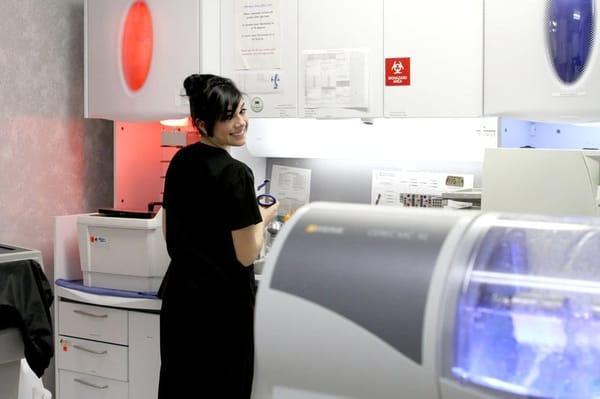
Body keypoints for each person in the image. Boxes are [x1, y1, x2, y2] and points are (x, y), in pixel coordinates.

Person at [158, 74, 279, 398]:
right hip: (222, 310)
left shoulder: (180, 161)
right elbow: (246, 253)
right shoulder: (235, 173)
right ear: (202, 123)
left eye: (242, 111)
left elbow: (167, 230)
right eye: (228, 118)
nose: (240, 123)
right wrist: (264, 217)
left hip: (181, 304)